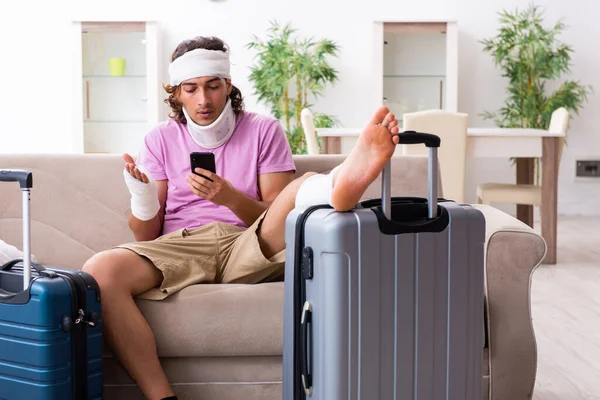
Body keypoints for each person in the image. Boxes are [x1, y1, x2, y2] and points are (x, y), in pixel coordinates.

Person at [82, 36, 400, 400]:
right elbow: (146, 236)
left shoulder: (263, 130)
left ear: (228, 85)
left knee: (300, 189)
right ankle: (162, 398)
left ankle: (340, 183)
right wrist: (141, 199)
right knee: (100, 270)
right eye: (192, 88)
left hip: (249, 241)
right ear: (177, 94)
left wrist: (230, 198)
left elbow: (277, 212)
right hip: (183, 245)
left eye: (213, 86)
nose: (204, 99)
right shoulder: (159, 139)